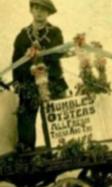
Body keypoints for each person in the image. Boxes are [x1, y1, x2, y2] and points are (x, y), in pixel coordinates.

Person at [12, 0, 68, 152]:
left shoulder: (55, 33)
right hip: (29, 84)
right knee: (25, 118)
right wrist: (29, 70)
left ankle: (58, 152)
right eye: (36, 8)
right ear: (31, 10)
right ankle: (27, 153)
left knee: (54, 121)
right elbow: (16, 63)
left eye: (44, 9)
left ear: (48, 13)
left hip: (51, 83)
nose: (39, 12)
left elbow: (56, 55)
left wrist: (40, 60)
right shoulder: (22, 36)